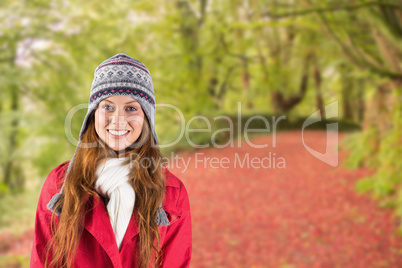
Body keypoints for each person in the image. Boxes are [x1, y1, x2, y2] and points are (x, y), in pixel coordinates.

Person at [30, 54, 192, 268]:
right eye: (107, 107)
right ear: (92, 115)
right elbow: (44, 261)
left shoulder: (171, 193)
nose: (118, 119)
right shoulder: (60, 185)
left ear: (146, 118)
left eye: (131, 108)